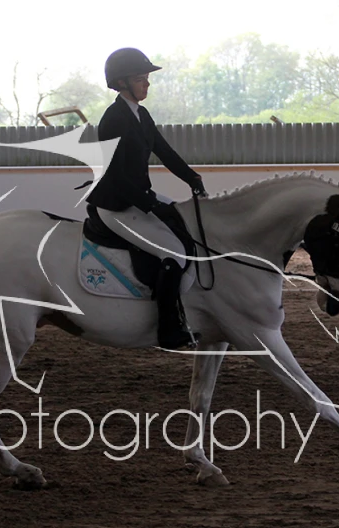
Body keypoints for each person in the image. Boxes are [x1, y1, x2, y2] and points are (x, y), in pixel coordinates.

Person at [87, 47, 206, 349]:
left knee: (185, 223)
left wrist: (192, 178)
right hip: (116, 204)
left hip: (138, 197)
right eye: (141, 79)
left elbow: (164, 151)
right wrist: (151, 205)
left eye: (146, 78)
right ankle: (168, 328)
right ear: (122, 83)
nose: (147, 84)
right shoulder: (113, 119)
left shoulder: (141, 115)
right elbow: (114, 176)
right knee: (174, 254)